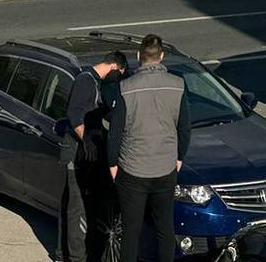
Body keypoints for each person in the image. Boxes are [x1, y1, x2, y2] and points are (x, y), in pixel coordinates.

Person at [109, 34, 191, 262]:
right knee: (165, 228)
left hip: (132, 169)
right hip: (165, 168)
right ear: (162, 56)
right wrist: (179, 157)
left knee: (131, 231)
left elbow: (115, 131)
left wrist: (112, 164)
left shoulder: (126, 87)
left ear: (138, 57)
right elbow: (185, 128)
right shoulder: (178, 85)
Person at [59, 50, 128, 262]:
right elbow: (74, 114)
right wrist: (86, 139)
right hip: (76, 155)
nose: (119, 79)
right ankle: (75, 257)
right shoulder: (86, 81)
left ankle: (70, 253)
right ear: (115, 67)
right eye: (121, 74)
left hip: (88, 156)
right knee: (77, 209)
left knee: (80, 206)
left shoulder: (97, 83)